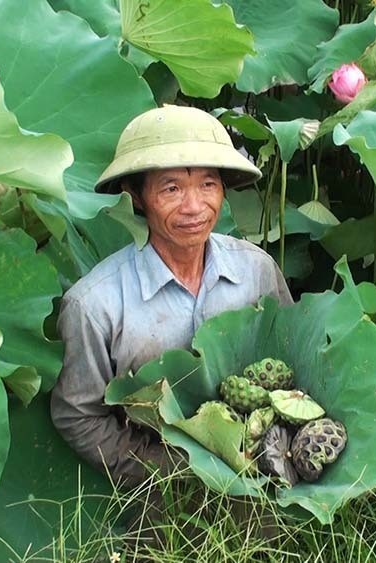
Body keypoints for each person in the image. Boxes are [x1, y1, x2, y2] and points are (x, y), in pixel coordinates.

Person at [50, 105, 293, 487]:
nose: (195, 207)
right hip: (156, 488)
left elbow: (292, 365)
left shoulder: (256, 272)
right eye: (172, 188)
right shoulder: (94, 305)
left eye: (208, 184)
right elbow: (77, 416)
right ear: (136, 195)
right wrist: (169, 471)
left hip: (267, 475)